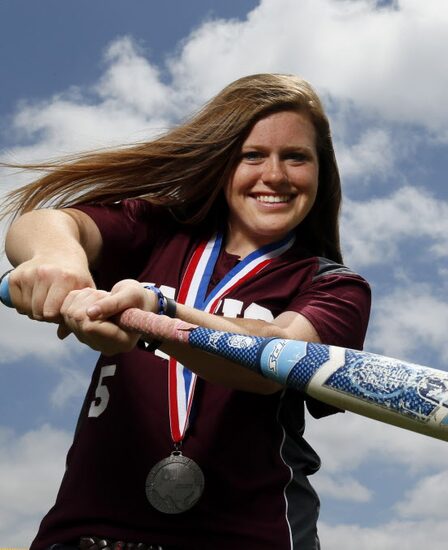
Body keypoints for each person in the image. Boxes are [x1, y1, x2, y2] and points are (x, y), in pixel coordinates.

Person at [2, 74, 371, 549]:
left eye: (295, 157)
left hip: (246, 537)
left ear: (321, 173)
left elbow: (280, 357)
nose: (275, 175)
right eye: (251, 156)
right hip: (89, 533)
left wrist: (160, 311)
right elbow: (46, 224)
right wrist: (59, 260)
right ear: (220, 163)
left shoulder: (335, 285)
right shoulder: (156, 231)